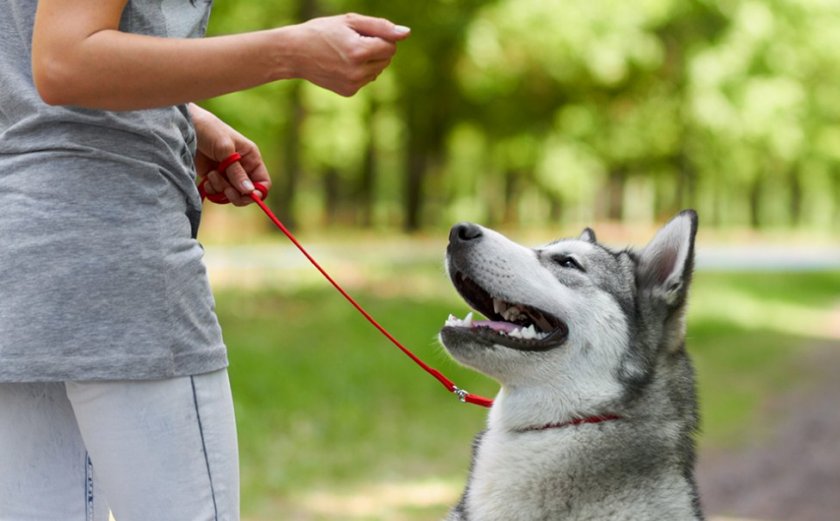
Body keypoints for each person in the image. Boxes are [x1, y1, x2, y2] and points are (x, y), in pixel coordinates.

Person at [0, 1, 410, 520]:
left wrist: (182, 117)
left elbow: (28, 54)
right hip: (118, 254)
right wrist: (290, 52)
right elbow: (63, 61)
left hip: (21, 261)